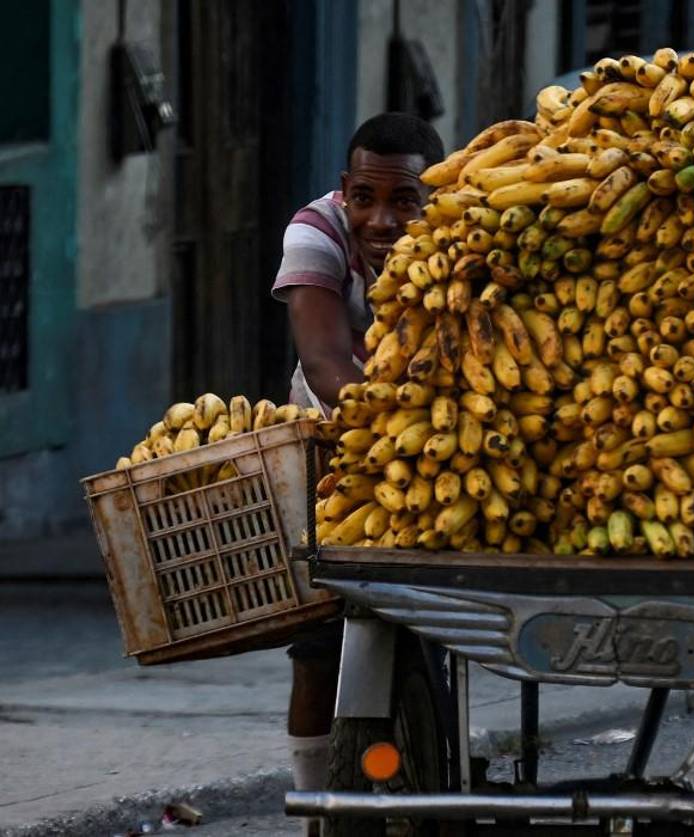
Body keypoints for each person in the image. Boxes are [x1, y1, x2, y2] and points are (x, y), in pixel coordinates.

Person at [271, 112, 443, 835]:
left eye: (405, 201)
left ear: (432, 196)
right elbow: (324, 358)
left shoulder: (466, 233)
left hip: (441, 446)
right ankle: (315, 803)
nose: (383, 220)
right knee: (316, 643)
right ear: (344, 191)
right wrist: (390, 418)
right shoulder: (315, 229)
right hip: (334, 437)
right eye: (366, 198)